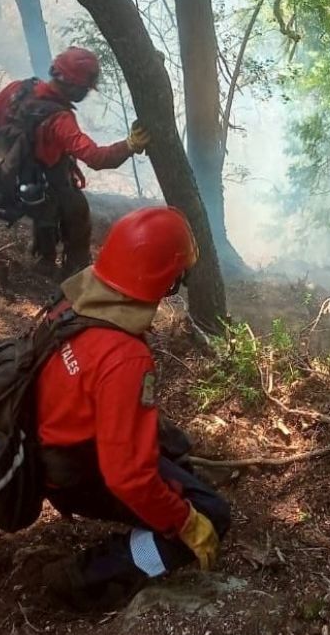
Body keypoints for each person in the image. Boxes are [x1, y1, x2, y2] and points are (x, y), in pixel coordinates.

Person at [34, 206, 230, 611]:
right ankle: (88, 575)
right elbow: (127, 477)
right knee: (212, 513)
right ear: (164, 279)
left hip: (49, 444)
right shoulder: (125, 357)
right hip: (76, 470)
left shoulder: (75, 301)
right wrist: (187, 523)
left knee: (172, 444)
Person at [0, 46, 151, 277]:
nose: (87, 93)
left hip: (6, 179)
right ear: (74, 86)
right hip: (38, 189)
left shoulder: (18, 89)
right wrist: (130, 145)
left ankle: (45, 258)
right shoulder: (61, 120)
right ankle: (74, 268)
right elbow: (96, 158)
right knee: (76, 209)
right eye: (85, 88)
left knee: (48, 196)